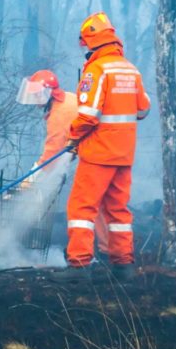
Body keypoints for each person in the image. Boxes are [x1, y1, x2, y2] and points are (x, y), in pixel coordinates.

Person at [65, 12, 150, 279]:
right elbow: (143, 110)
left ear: (91, 40)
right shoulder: (129, 69)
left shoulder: (97, 70)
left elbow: (89, 115)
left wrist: (72, 135)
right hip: (123, 155)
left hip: (98, 154)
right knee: (118, 212)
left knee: (81, 209)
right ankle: (123, 265)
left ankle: (79, 265)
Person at [17, 70, 109, 256]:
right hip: (100, 151)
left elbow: (53, 153)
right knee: (99, 203)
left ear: (47, 92)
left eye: (36, 94)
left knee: (86, 204)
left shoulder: (58, 115)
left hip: (96, 155)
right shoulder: (66, 98)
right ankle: (108, 250)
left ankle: (101, 253)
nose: (34, 99)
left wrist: (32, 176)